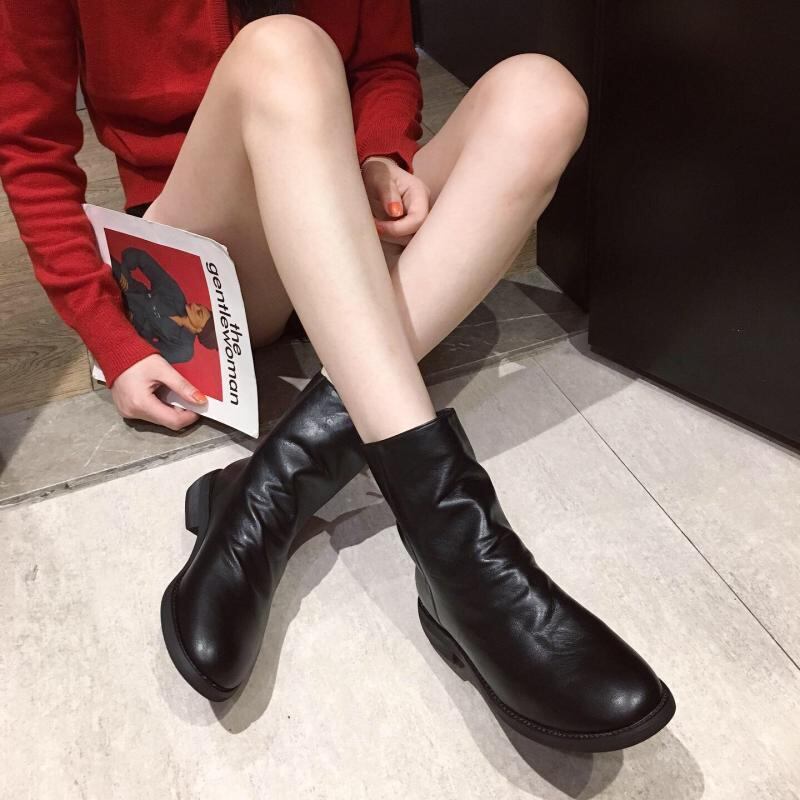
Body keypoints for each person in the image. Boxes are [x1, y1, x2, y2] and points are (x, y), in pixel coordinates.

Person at [0, 0, 675, 751]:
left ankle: (269, 486)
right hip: (208, 264)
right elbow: (28, 146)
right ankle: (461, 550)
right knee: (283, 48)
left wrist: (382, 155)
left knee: (544, 95)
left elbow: (384, 66)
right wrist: (110, 335)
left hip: (338, 211)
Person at [112, 246, 218, 365]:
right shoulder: (176, 296)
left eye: (199, 313)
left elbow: (147, 353)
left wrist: (129, 330)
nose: (194, 305)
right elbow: (142, 258)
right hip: (127, 289)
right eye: (199, 305)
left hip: (124, 324)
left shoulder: (183, 349)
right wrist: (125, 269)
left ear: (199, 329)